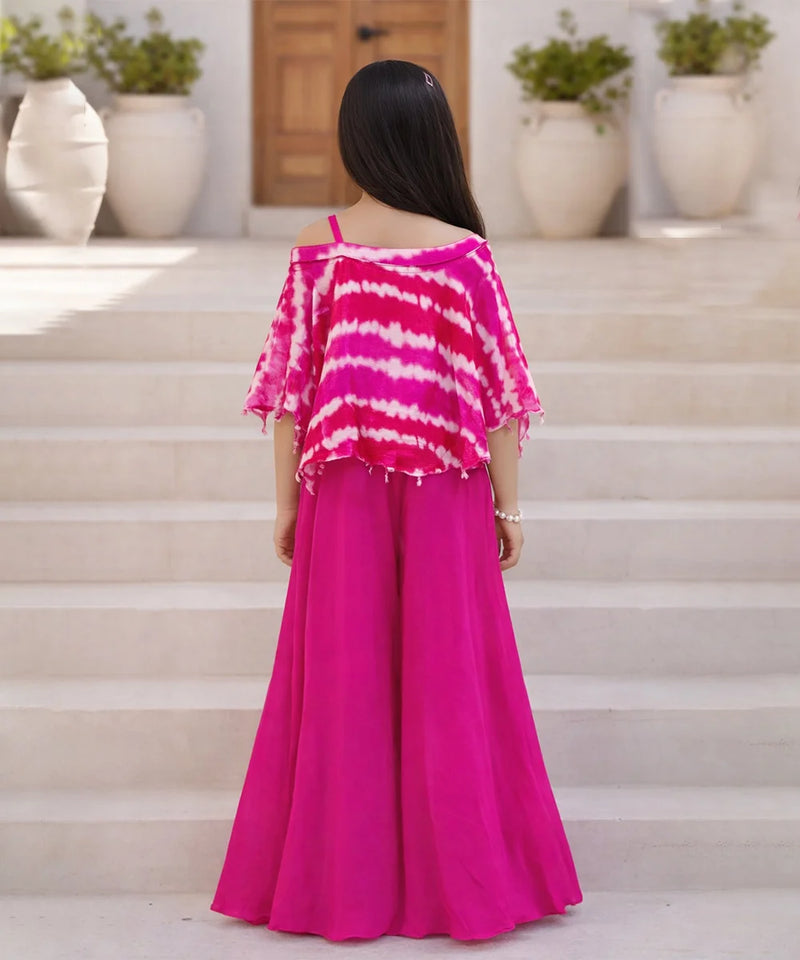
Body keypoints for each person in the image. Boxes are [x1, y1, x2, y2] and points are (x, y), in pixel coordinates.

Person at [211, 59, 582, 941]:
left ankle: (338, 885)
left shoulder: (319, 244)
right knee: (451, 682)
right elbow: (501, 400)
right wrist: (510, 508)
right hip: (447, 495)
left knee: (342, 682)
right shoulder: (465, 255)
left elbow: (290, 397)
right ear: (432, 139)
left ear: (355, 138)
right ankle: (468, 886)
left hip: (342, 493)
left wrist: (285, 507)